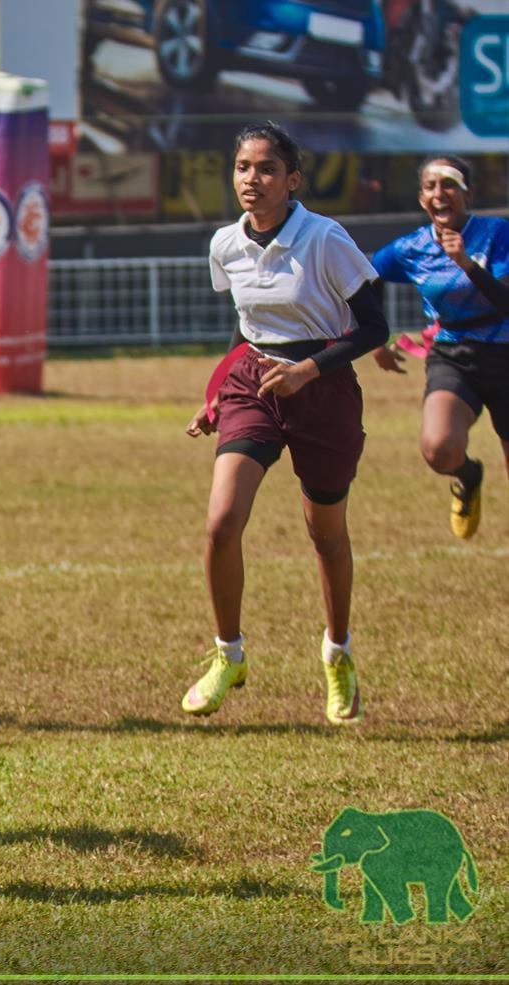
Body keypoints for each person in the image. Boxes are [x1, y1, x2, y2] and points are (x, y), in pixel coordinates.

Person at [183, 122, 387, 726]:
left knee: (325, 535)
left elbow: (374, 327)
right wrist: (218, 391)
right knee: (221, 522)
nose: (253, 179)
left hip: (322, 392)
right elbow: (243, 327)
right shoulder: (225, 244)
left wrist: (309, 370)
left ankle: (338, 653)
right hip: (254, 384)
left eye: (267, 169)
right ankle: (229, 655)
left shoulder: (324, 238)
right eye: (244, 167)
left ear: (292, 179)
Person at [371, 155, 509, 540]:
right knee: (438, 449)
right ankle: (468, 475)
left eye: (449, 184)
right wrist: (378, 339)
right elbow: (370, 277)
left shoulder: (497, 233)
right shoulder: (412, 247)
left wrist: (467, 264)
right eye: (430, 186)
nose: (439, 193)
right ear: (421, 198)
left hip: (506, 351)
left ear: (469, 193)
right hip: (453, 354)